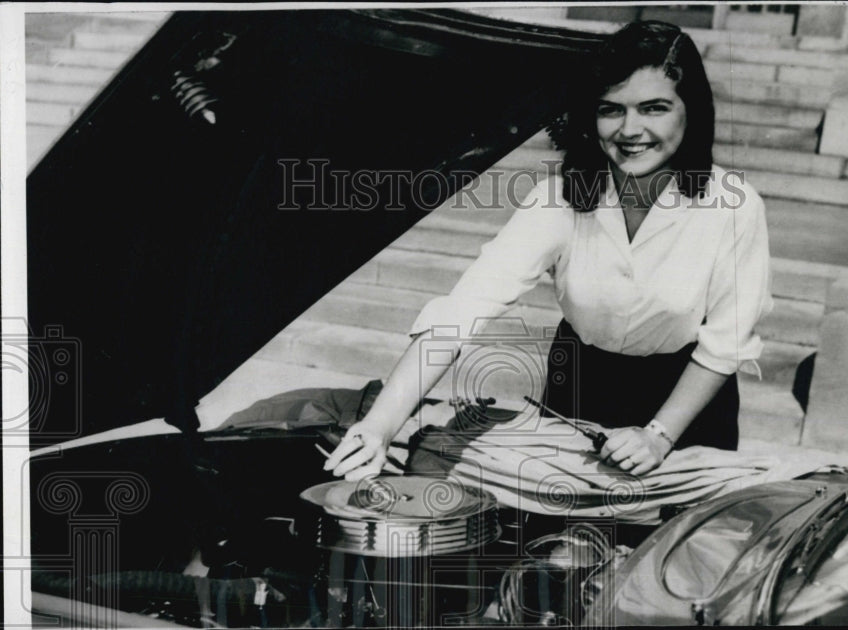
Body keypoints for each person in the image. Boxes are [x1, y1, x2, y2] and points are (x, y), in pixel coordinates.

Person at [325, 21, 773, 481]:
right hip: (581, 387)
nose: (630, 130)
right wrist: (379, 427)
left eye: (654, 108)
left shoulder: (734, 207)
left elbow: (725, 344)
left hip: (688, 400)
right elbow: (463, 309)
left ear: (691, 111)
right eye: (610, 109)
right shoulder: (558, 197)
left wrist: (658, 435)